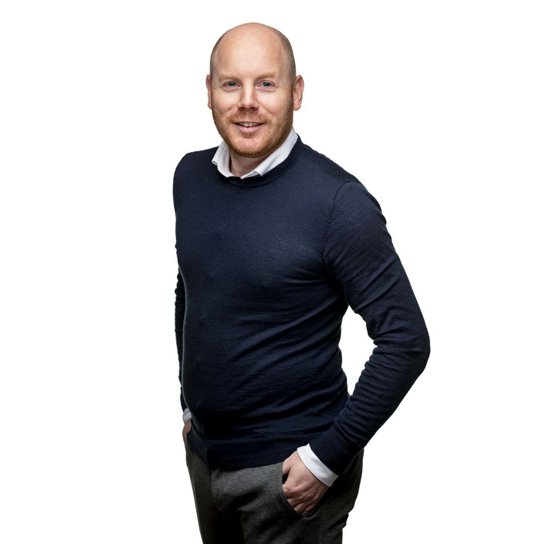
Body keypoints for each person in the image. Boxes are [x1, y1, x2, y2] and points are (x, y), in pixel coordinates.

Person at [173, 22, 430, 544]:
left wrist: (328, 457)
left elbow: (405, 341)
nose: (247, 101)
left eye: (266, 84)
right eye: (231, 84)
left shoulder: (338, 203)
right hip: (205, 455)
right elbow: (192, 290)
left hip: (288, 476)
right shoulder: (190, 177)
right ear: (209, 91)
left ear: (296, 92)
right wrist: (189, 401)